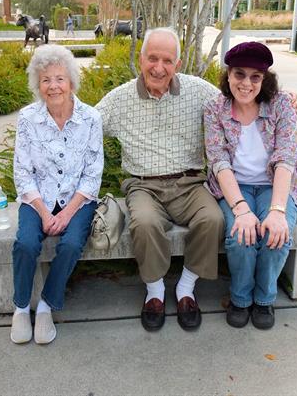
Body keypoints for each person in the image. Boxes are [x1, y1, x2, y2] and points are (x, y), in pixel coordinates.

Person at [96, 28, 225, 332]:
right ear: (141, 60)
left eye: (167, 60)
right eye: (152, 58)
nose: (158, 67)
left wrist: (283, 100)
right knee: (144, 223)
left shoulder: (198, 91)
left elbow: (239, 103)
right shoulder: (120, 98)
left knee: (213, 219)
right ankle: (155, 292)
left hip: (190, 184)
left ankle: (185, 288)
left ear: (177, 65)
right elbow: (85, 125)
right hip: (143, 185)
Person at [204, 42, 297, 330]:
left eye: (255, 76)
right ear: (228, 75)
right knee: (241, 236)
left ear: (265, 79)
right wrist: (240, 209)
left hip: (274, 186)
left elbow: (286, 157)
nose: (246, 83)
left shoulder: (282, 105)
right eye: (239, 74)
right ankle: (240, 298)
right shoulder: (215, 108)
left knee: (277, 234)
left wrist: (276, 210)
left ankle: (264, 299)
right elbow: (218, 161)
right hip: (233, 186)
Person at [10, 45, 104, 344]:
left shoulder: (91, 118)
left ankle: (47, 307)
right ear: (38, 85)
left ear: (71, 82)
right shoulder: (27, 119)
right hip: (38, 198)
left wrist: (65, 213)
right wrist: (43, 212)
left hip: (77, 199)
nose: (53, 86)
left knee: (72, 243)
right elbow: (22, 173)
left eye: (60, 78)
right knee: (25, 243)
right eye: (46, 79)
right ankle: (22, 308)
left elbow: (92, 174)